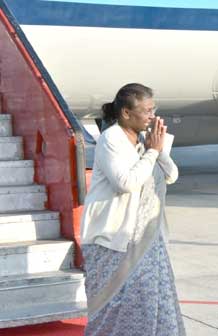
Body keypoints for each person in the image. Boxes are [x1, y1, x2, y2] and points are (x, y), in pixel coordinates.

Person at [80, 83, 185, 335]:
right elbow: (126, 183)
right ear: (126, 113)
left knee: (150, 304)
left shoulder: (143, 140)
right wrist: (152, 152)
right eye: (147, 110)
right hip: (115, 241)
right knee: (114, 310)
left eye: (153, 109)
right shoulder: (111, 139)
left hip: (148, 241)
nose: (152, 116)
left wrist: (156, 151)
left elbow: (171, 175)